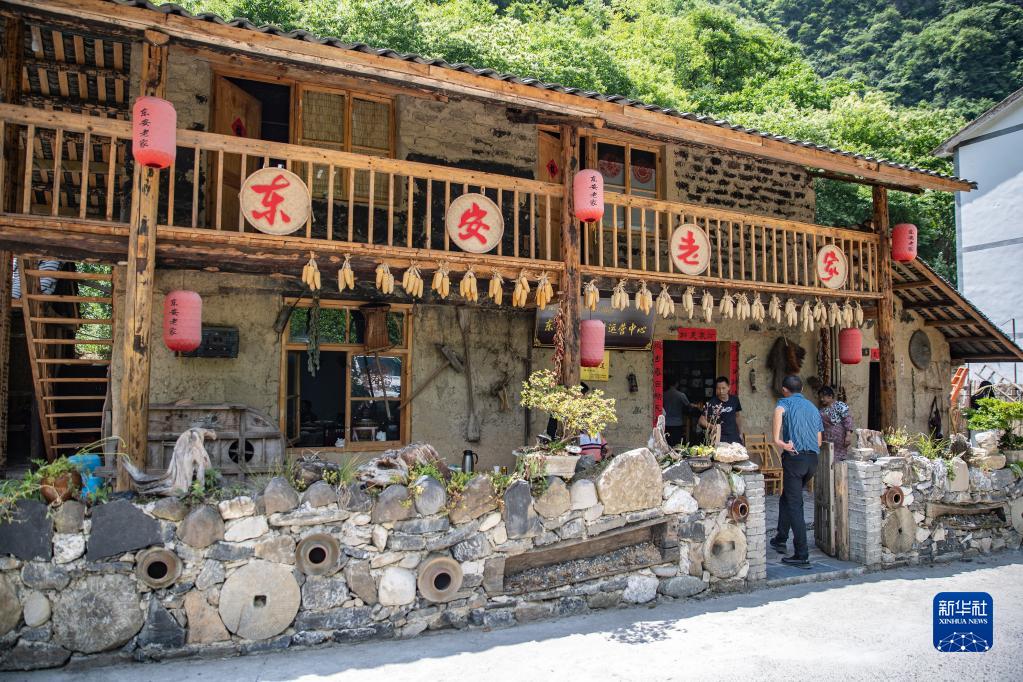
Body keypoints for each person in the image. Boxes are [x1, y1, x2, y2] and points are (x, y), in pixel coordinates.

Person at [770, 375, 824, 569]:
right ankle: (780, 538)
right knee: (788, 497)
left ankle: (801, 554)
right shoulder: (812, 407)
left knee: (795, 505)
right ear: (801, 389)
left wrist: (780, 442)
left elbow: (778, 419)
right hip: (812, 461)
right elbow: (818, 441)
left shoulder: (783, 403)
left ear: (785, 390)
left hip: (794, 458)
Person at [699, 376, 743, 444]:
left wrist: (740, 433)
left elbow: (737, 417)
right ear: (716, 389)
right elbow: (701, 421)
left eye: (723, 388)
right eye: (718, 388)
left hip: (734, 436)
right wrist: (712, 427)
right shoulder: (712, 403)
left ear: (728, 387)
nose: (721, 391)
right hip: (719, 438)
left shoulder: (735, 400)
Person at [818, 386, 853, 461]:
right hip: (827, 438)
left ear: (830, 396)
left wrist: (848, 435)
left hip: (840, 439)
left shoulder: (839, 405)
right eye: (820, 397)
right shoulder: (822, 410)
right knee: (828, 459)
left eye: (823, 397)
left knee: (839, 461)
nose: (821, 399)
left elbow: (847, 419)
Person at [662, 376, 691, 446]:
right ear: (677, 384)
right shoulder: (681, 395)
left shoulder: (663, 395)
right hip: (677, 423)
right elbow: (688, 405)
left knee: (667, 444)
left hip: (666, 423)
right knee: (677, 444)